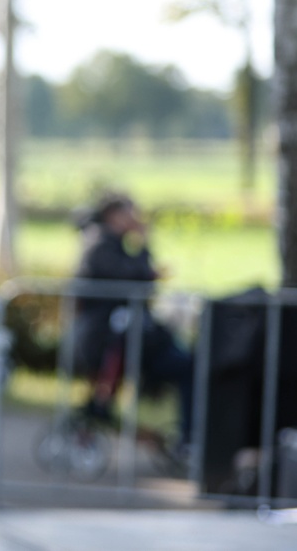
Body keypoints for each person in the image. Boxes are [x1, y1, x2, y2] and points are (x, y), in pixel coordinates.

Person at [71, 191, 194, 453]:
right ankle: (187, 440)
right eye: (131, 212)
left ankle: (182, 436)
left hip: (123, 339)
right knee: (186, 367)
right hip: (107, 342)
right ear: (114, 215)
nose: (136, 218)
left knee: (183, 362)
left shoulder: (108, 243)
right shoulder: (101, 245)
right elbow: (135, 279)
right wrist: (144, 244)